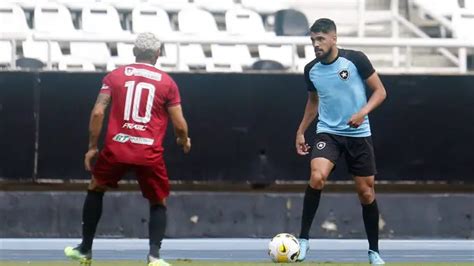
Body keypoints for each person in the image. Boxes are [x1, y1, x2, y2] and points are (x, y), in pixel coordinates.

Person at [64, 32, 191, 266]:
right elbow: (179, 123)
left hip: (117, 148)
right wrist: (184, 140)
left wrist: (92, 147)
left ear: (134, 52)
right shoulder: (167, 83)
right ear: (158, 54)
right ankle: (154, 257)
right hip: (148, 153)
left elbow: (98, 112)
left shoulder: (115, 76)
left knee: (96, 187)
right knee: (158, 200)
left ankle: (85, 249)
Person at [295, 18, 387, 265]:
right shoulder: (311, 70)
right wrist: (301, 130)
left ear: (334, 38)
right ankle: (302, 240)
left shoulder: (355, 59)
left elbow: (380, 91)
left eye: (320, 39)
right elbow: (313, 103)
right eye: (313, 40)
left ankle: (374, 251)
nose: (316, 44)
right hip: (328, 133)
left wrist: (362, 112)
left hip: (358, 135)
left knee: (366, 193)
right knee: (317, 177)